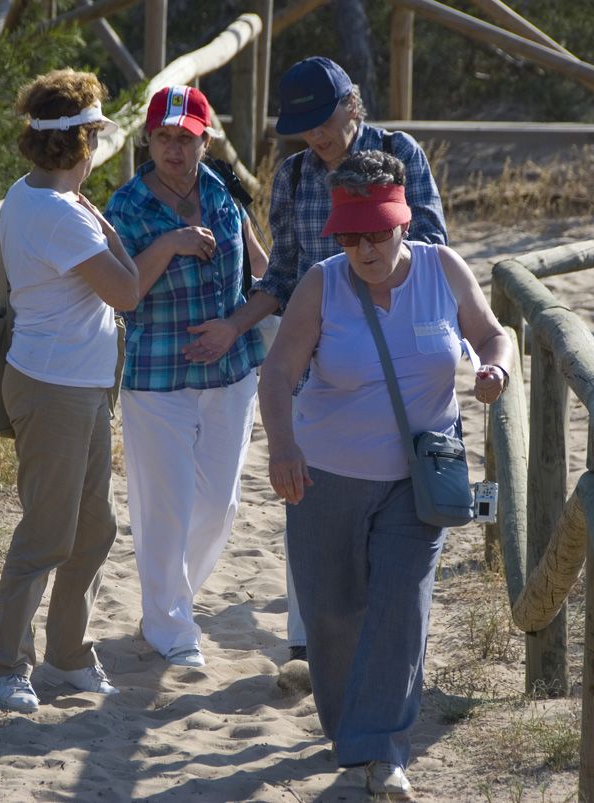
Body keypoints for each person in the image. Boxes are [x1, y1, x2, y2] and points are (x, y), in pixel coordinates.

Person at [257, 150, 511, 795]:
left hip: (419, 475)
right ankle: (353, 736)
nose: (363, 248)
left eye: (376, 232)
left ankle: (382, 751)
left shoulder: (441, 268)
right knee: (333, 614)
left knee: (401, 608)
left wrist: (495, 369)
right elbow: (279, 372)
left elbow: (491, 333)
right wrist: (282, 448)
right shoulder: (321, 283)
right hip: (323, 475)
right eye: (350, 235)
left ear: (404, 223)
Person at [183, 57, 449, 662]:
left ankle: (382, 635)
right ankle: (308, 645)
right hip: (316, 358)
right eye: (303, 126)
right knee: (309, 489)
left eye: (322, 121)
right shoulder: (295, 175)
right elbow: (279, 274)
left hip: (393, 352)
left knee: (395, 496)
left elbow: (433, 244)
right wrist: (234, 325)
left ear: (351, 107)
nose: (315, 136)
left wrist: (370, 253)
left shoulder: (399, 153)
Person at [0, 69, 140, 713]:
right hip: (56, 388)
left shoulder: (24, 195)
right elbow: (128, 292)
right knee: (47, 534)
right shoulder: (61, 214)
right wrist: (108, 235)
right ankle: (4, 665)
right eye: (96, 134)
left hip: (78, 383)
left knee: (93, 526)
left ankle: (68, 652)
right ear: (82, 143)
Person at [104, 86, 266, 668]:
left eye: (187, 138)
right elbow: (124, 293)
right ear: (149, 138)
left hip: (232, 369)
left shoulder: (222, 190)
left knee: (219, 506)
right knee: (165, 504)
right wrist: (170, 243)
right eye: (165, 137)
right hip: (157, 377)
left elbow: (260, 270)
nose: (175, 149)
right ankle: (172, 628)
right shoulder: (125, 206)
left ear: (205, 138)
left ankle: (171, 601)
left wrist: (250, 320)